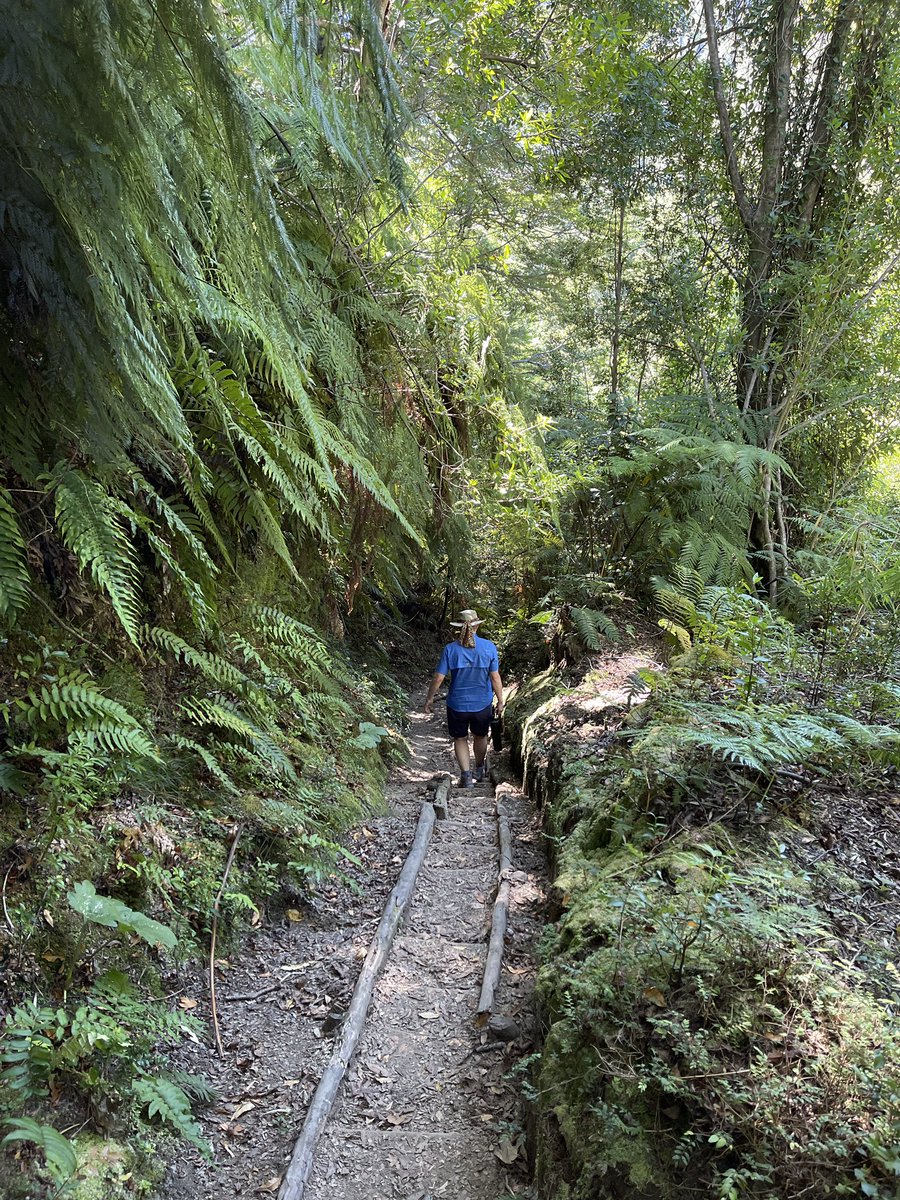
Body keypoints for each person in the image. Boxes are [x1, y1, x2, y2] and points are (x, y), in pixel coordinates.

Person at [423, 608, 504, 788]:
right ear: (476, 626)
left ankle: (466, 777)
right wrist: (500, 700)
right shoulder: (489, 647)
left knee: (460, 739)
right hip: (482, 703)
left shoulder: (450, 649)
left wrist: (430, 698)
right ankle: (479, 768)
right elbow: (495, 677)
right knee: (480, 736)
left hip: (457, 704)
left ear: (460, 627)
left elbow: (438, 677)